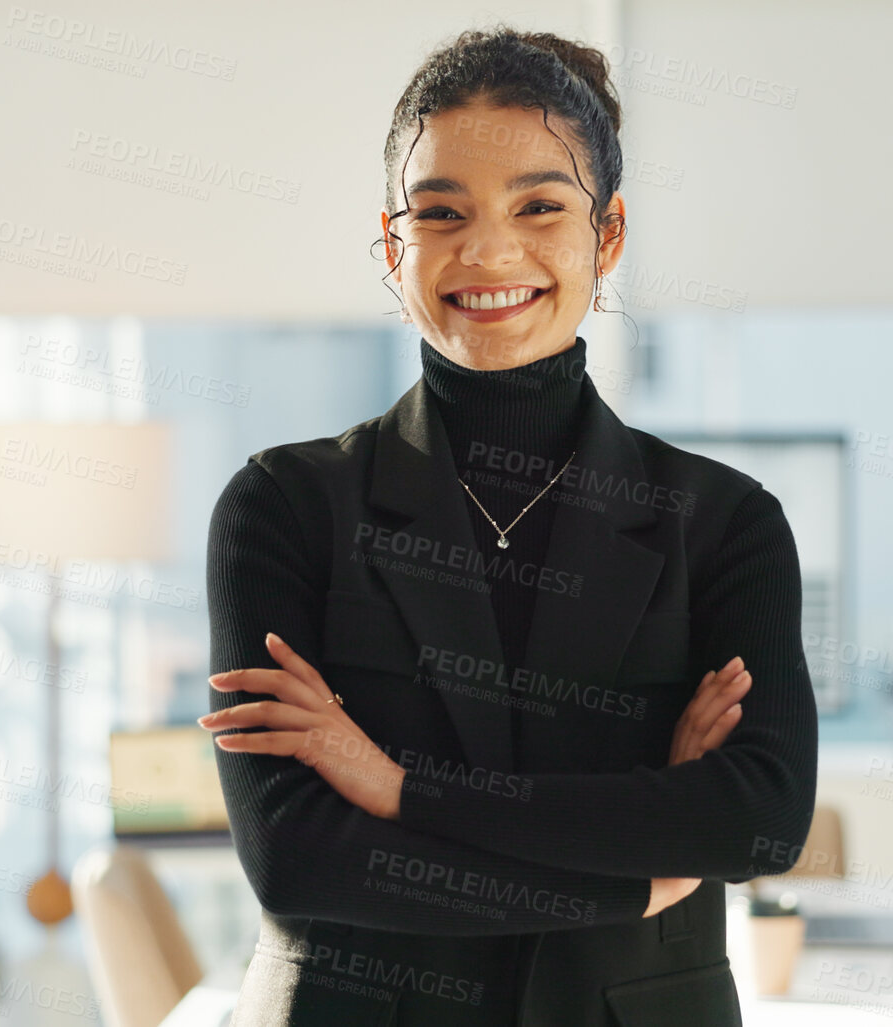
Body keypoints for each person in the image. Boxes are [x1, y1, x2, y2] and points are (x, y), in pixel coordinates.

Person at [203, 25, 818, 1026]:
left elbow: (758, 824)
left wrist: (398, 789)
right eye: (442, 212)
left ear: (606, 235)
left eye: (540, 206)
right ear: (395, 242)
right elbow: (299, 857)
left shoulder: (723, 523)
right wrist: (640, 861)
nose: (489, 252)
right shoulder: (283, 506)